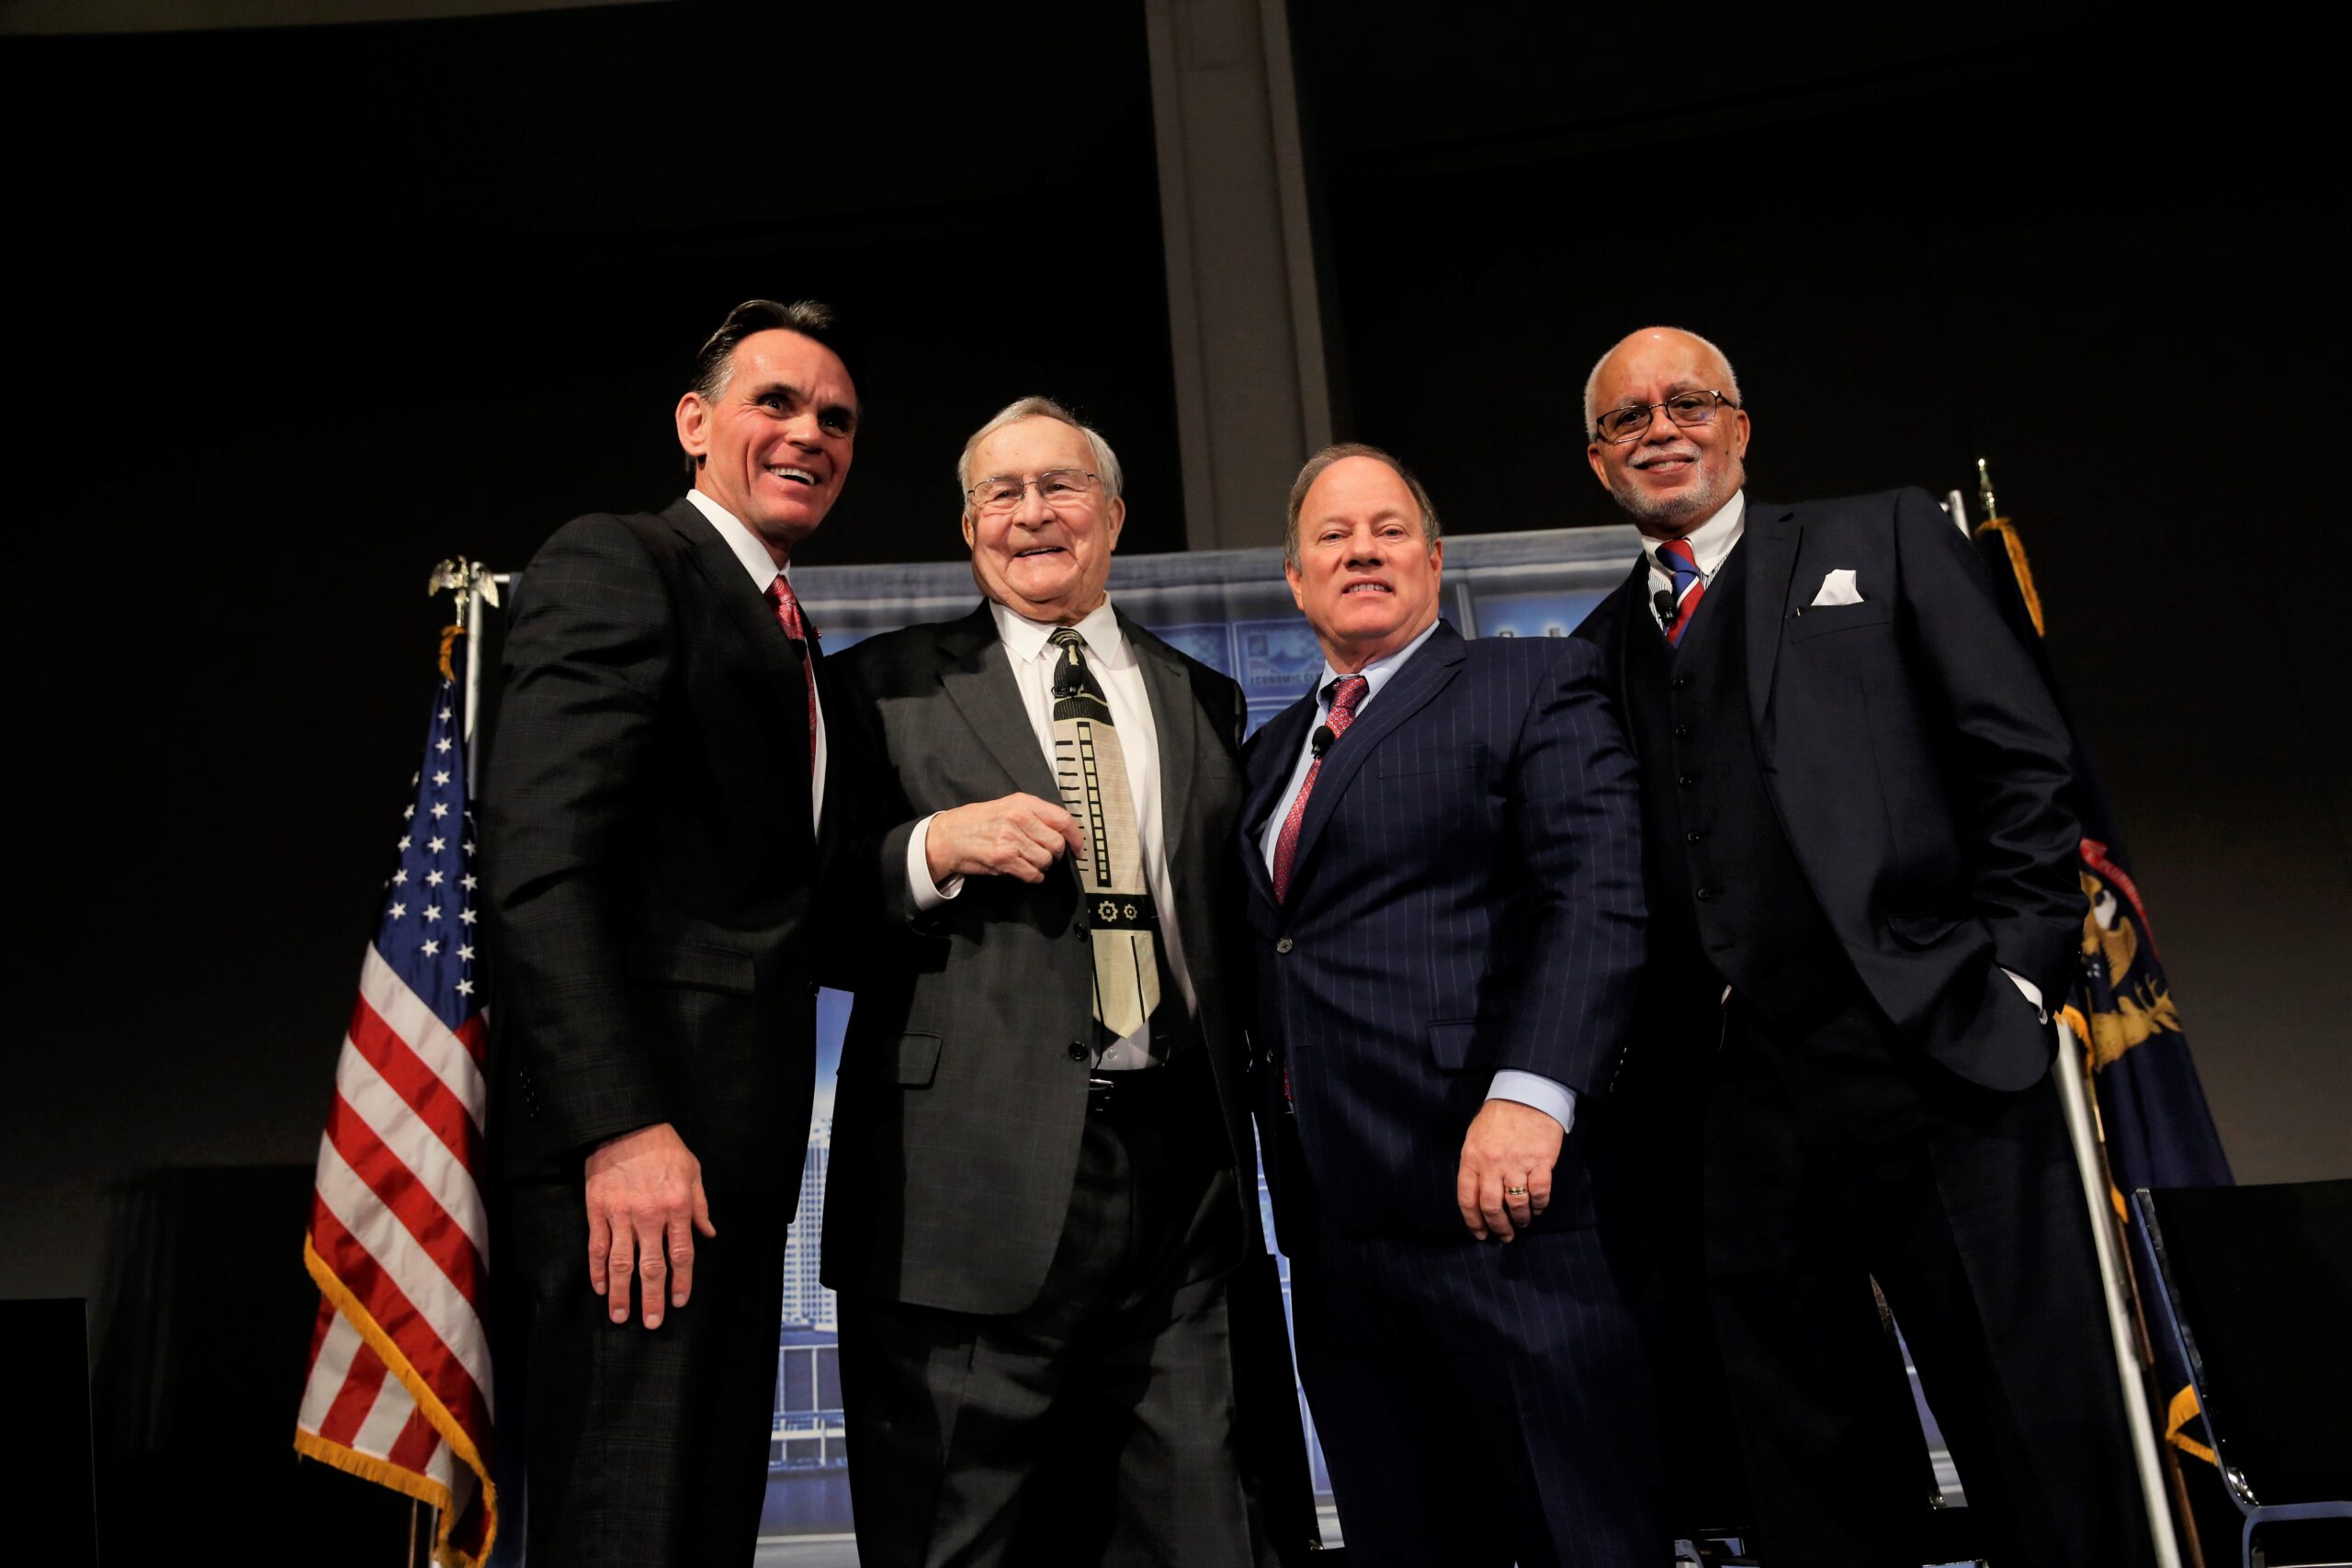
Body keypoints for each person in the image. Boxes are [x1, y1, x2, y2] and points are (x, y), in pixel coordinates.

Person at [1573, 325, 2152, 1566]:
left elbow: (2023, 760)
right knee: (1806, 1456)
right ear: (1598, 460)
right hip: (1733, 1101)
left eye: (1687, 402)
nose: (1660, 428)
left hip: (1933, 1044)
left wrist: (2014, 977)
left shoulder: (1878, 537)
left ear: (1740, 426)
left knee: (2030, 1421)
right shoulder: (1592, 651)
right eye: (1629, 418)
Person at [820, 397, 1307, 1567]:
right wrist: (932, 850)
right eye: (1002, 493)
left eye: (1059, 486)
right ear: (968, 524)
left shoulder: (1202, 693)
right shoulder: (878, 687)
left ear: (1114, 513)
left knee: (1202, 1527)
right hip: (965, 1189)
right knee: (960, 1535)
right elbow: (804, 913)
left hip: (1180, 1174)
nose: (1031, 514)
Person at [481, 299, 857, 1565]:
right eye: (777, 402)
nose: (810, 431)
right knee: (623, 1530)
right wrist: (619, 1125)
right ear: (695, 424)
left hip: (729, 1175)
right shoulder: (622, 560)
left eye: (836, 418)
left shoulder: (786, 630)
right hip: (633, 1174)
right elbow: (541, 864)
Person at [1239, 444, 1660, 1568]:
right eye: (1332, 536)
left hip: (1503, 1208)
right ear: (1293, 578)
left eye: (1386, 529)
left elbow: (1598, 894)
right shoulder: (1266, 753)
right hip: (1336, 1233)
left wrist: (1533, 1095)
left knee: (1582, 1533)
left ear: (1431, 561)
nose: (1361, 550)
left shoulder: (1529, 682)